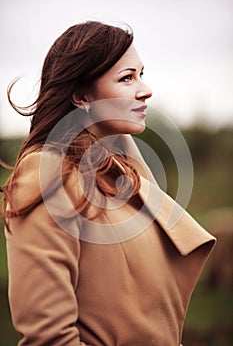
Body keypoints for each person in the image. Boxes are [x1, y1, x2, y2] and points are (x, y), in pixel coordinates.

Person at [1, 21, 216, 346]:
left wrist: (109, 129)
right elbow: (50, 337)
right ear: (81, 95)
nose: (145, 90)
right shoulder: (48, 174)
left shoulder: (116, 171)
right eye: (127, 78)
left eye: (141, 74)